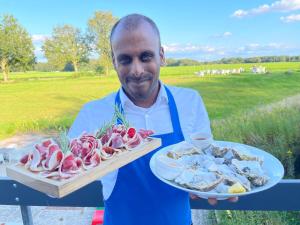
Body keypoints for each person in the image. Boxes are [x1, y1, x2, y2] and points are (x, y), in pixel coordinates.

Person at [68, 13, 236, 225]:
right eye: (125, 59)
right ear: (114, 62)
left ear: (162, 56)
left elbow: (205, 162)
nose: (137, 70)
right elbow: (65, 171)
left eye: (146, 56)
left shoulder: (190, 102)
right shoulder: (94, 113)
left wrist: (222, 184)